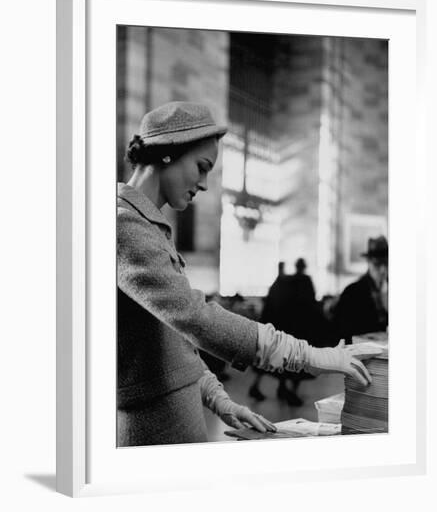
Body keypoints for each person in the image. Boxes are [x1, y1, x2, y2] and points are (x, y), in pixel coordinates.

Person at [117, 101, 380, 446]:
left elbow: (173, 340)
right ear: (168, 153)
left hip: (178, 418)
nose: (205, 183)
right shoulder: (124, 225)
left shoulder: (148, 226)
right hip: (151, 430)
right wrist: (310, 355)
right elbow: (196, 318)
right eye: (202, 166)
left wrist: (220, 401)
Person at [248, 259, 318, 406]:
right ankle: (288, 391)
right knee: (291, 360)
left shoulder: (285, 281)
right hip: (294, 327)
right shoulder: (301, 281)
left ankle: (278, 388)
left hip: (282, 326)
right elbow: (308, 305)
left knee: (276, 359)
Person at [333, 236, 388, 345]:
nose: (383, 270)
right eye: (377, 264)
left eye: (386, 264)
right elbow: (342, 335)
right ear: (369, 263)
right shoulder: (352, 292)